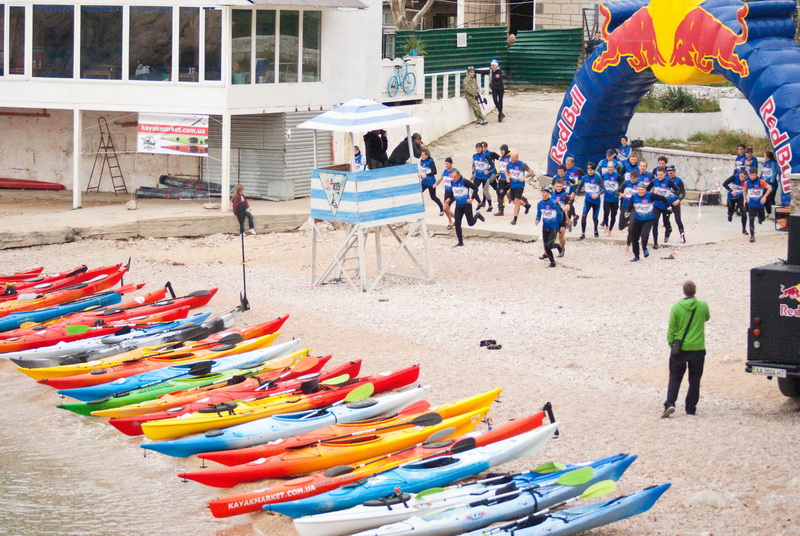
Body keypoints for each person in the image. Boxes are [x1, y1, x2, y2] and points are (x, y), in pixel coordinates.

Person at [663, 280, 710, 418]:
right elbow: (706, 318)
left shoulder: (676, 308)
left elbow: (671, 330)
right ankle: (690, 408)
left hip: (681, 349)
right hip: (698, 348)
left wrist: (672, 345)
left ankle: (670, 403)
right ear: (695, 291)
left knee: (675, 377)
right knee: (695, 380)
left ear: (684, 291)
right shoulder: (702, 306)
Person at [628, 182, 669, 262]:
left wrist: (669, 206)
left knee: (644, 234)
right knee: (634, 238)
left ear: (645, 190)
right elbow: (629, 207)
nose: (640, 191)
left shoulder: (650, 195)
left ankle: (644, 248)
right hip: (637, 219)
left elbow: (662, 198)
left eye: (642, 190)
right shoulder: (634, 196)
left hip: (648, 219)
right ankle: (636, 256)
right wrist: (627, 212)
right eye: (639, 190)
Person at [450, 169, 485, 246]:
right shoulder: (452, 182)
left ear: (459, 175)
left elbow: (476, 188)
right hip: (458, 206)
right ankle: (460, 242)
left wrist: (472, 198)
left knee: (471, 223)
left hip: (466, 205)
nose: (454, 179)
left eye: (455, 177)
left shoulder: (464, 181)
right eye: (453, 177)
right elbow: (453, 194)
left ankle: (477, 215)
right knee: (457, 224)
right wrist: (449, 199)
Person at [535, 186, 565, 268]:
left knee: (549, 245)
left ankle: (553, 262)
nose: (543, 194)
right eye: (542, 192)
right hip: (545, 227)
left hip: (554, 227)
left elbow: (561, 213)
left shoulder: (553, 203)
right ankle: (556, 248)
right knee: (546, 245)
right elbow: (538, 214)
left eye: (545, 192)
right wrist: (537, 220)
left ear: (548, 193)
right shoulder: (540, 204)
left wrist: (560, 225)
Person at [649, 168, 678, 248]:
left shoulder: (668, 181)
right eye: (658, 175)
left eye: (661, 175)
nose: (659, 176)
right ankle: (655, 243)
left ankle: (668, 230)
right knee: (655, 223)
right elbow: (647, 189)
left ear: (665, 174)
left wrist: (675, 198)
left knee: (666, 222)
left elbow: (677, 190)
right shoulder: (654, 181)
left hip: (666, 206)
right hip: (656, 205)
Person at [575, 163, 604, 239]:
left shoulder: (598, 178)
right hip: (587, 200)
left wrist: (598, 194)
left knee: (594, 217)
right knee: (584, 216)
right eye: (588, 170)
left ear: (594, 170)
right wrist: (576, 194)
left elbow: (604, 189)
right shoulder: (584, 177)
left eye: (591, 170)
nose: (590, 171)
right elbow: (580, 186)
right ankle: (583, 233)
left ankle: (595, 229)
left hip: (596, 201)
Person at [743, 167, 772, 243]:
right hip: (751, 203)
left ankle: (760, 218)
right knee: (751, 219)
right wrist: (745, 199)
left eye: (754, 175)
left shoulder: (761, 181)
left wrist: (764, 197)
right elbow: (744, 190)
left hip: (760, 203)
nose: (752, 177)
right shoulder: (746, 182)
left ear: (756, 175)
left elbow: (769, 188)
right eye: (751, 175)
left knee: (762, 218)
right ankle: (752, 236)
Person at [506, 151, 535, 225]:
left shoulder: (522, 164)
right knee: (513, 201)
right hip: (512, 185)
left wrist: (524, 177)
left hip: (520, 185)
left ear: (517, 157)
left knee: (516, 202)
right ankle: (526, 205)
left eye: (513, 157)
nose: (512, 159)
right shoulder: (509, 164)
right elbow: (506, 171)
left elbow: (531, 172)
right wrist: (507, 177)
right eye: (511, 157)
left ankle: (515, 219)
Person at [418, 148, 444, 215]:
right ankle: (420, 209)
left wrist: (426, 175)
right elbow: (422, 170)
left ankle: (442, 208)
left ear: (427, 155)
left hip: (431, 183)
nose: (422, 156)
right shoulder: (421, 161)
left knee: (433, 197)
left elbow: (435, 172)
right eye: (421, 155)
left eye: (423, 155)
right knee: (418, 194)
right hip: (424, 182)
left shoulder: (431, 161)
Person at [550, 175, 571, 255]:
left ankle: (562, 249)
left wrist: (561, 209)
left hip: (561, 218)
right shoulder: (552, 193)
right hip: (553, 217)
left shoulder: (565, 195)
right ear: (555, 185)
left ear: (563, 186)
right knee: (550, 236)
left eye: (560, 186)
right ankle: (546, 253)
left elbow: (567, 207)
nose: (558, 188)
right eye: (557, 186)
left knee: (561, 236)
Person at [471, 142, 494, 212]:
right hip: (477, 176)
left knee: (485, 191)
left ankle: (490, 206)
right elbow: (473, 166)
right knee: (472, 190)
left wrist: (488, 170)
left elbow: (492, 165)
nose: (478, 149)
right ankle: (480, 203)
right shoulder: (474, 156)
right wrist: (472, 175)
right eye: (477, 148)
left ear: (482, 148)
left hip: (485, 177)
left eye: (479, 148)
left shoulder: (486, 156)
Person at [666, 165, 687, 243]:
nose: (670, 174)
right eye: (669, 173)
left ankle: (682, 236)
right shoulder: (666, 180)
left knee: (678, 219)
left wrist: (679, 200)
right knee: (666, 219)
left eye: (671, 173)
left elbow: (683, 192)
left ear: (674, 172)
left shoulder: (678, 180)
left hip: (675, 202)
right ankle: (668, 230)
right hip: (667, 202)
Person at [723, 169, 747, 234]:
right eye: (741, 176)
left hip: (740, 197)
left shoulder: (747, 181)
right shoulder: (734, 177)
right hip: (731, 197)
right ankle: (730, 214)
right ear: (739, 175)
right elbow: (724, 184)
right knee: (731, 211)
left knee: (744, 211)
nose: (742, 178)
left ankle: (744, 229)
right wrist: (731, 191)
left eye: (744, 177)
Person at [600, 161, 621, 234]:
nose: (610, 169)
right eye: (609, 167)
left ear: (614, 168)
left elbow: (622, 184)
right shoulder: (604, 175)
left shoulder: (617, 176)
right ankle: (606, 225)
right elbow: (600, 183)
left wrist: (619, 192)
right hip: (607, 198)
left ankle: (610, 229)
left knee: (613, 215)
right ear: (607, 168)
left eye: (611, 167)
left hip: (615, 199)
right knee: (606, 213)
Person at [438, 157, 457, 228]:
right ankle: (456, 219)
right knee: (446, 208)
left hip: (453, 192)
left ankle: (450, 222)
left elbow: (461, 179)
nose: (446, 165)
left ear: (451, 164)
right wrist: (435, 184)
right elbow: (440, 179)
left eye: (448, 164)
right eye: (445, 164)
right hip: (446, 191)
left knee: (445, 207)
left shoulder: (455, 171)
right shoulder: (444, 171)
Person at [493, 144, 511, 216]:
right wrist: (498, 174)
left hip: (510, 179)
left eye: (502, 150)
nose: (501, 152)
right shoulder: (501, 158)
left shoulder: (511, 157)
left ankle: (525, 204)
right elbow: (500, 166)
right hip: (502, 178)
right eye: (501, 151)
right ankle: (501, 210)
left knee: (514, 195)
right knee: (500, 193)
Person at [761, 150, 779, 215]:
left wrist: (771, 181)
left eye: (765, 155)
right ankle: (769, 212)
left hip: (771, 184)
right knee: (764, 198)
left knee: (770, 199)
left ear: (768, 156)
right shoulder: (765, 162)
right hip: (764, 183)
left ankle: (773, 213)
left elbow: (774, 172)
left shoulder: (773, 163)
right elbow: (763, 172)